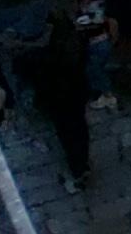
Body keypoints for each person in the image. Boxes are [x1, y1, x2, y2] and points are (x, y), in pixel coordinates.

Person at [19, 10, 86, 189]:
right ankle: (81, 164)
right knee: (79, 130)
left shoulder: (50, 55)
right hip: (74, 94)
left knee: (68, 135)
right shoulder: (72, 43)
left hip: (59, 100)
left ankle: (77, 169)